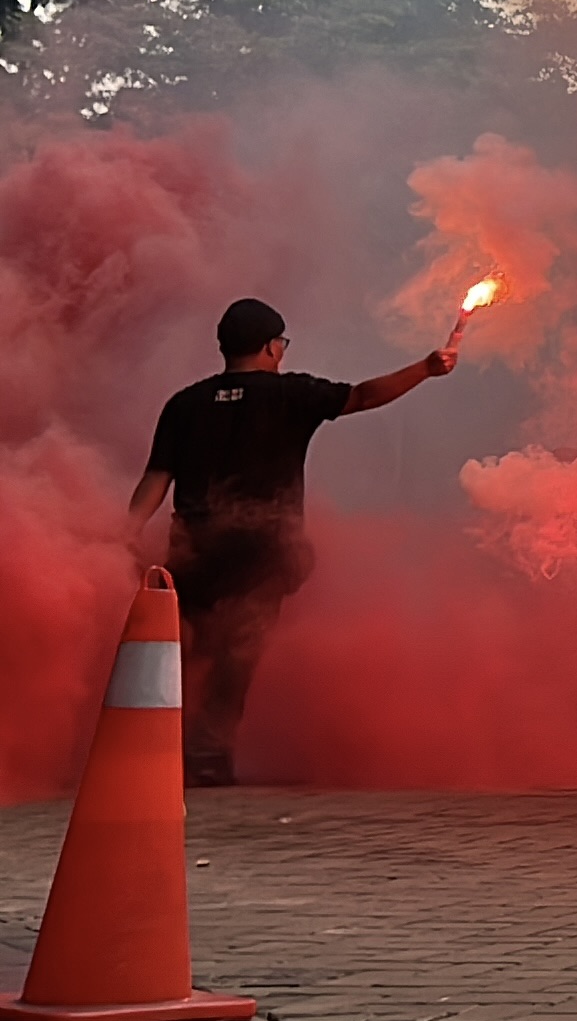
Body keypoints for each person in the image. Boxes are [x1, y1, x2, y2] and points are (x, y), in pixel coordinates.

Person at [128, 298, 458, 786]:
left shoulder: (184, 404)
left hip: (193, 556)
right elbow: (363, 396)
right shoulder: (292, 395)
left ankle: (150, 750)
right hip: (263, 554)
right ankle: (206, 755)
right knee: (239, 651)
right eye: (281, 342)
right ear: (269, 347)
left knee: (189, 650)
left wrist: (123, 536)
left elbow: (156, 478)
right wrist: (427, 369)